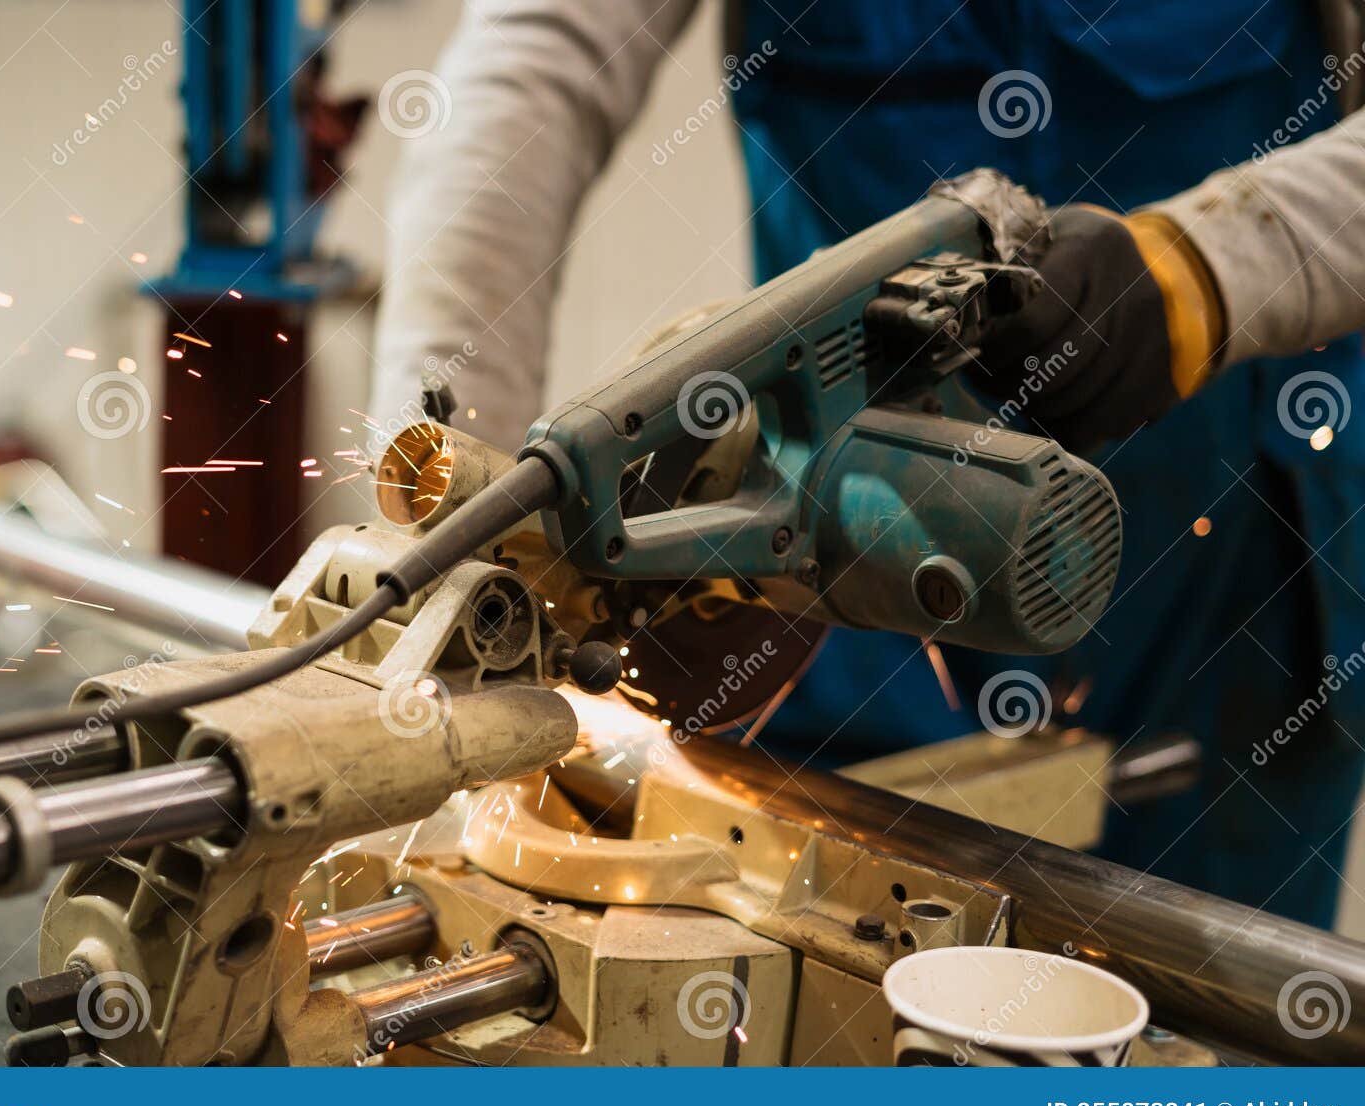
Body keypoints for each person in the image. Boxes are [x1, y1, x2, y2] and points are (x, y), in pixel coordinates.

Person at [369, 1, 1365, 930]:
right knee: (808, 965)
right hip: (830, 577)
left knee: (1209, 1015)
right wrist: (448, 486)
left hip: (1229, 584)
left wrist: (1214, 262)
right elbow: (532, 69)